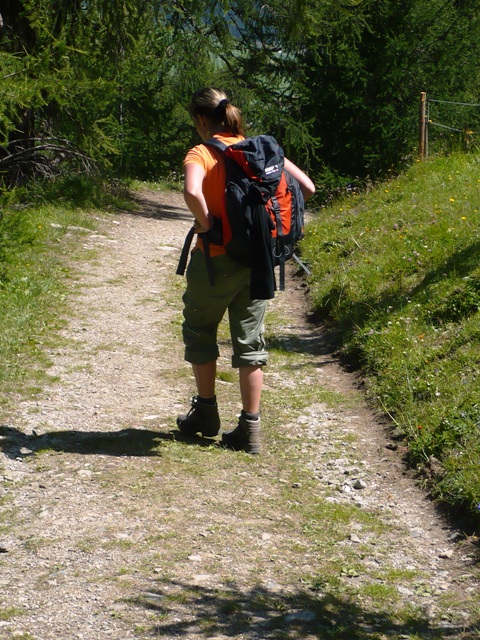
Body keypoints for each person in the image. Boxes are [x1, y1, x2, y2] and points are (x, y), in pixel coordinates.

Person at [177, 87, 315, 454]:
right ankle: (250, 429)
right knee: (250, 342)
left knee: (200, 329)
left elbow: (192, 191)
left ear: (202, 120)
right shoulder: (260, 150)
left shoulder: (202, 152)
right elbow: (307, 187)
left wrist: (206, 225)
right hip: (259, 263)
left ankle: (206, 414)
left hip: (216, 259)